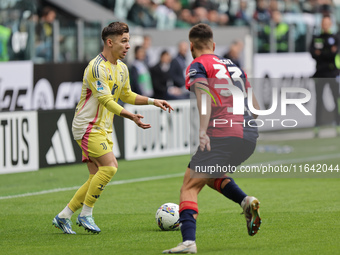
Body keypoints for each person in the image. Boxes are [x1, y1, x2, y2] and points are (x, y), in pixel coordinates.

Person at [52, 22, 173, 234]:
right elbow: (107, 100)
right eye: (124, 41)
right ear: (110, 42)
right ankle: (86, 215)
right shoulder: (96, 67)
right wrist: (130, 116)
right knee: (110, 167)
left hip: (103, 128)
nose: (128, 46)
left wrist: (154, 101)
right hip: (88, 126)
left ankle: (63, 216)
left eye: (128, 41)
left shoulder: (122, 68)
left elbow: (126, 95)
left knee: (94, 177)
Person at [163, 23, 261, 254]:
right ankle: (245, 201)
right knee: (209, 175)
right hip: (248, 135)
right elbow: (255, 108)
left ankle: (188, 242)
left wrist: (203, 130)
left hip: (223, 132)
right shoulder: (233, 66)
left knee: (189, 185)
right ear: (214, 45)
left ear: (191, 47)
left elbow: (203, 96)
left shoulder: (197, 65)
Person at [310, 14, 340, 137]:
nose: (325, 26)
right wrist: (327, 52)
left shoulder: (335, 37)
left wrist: (322, 53)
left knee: (336, 99)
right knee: (319, 100)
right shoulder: (317, 38)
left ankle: (338, 124)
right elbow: (313, 53)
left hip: (332, 72)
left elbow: (333, 53)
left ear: (330, 24)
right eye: (323, 23)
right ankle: (317, 126)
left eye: (327, 23)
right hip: (320, 73)